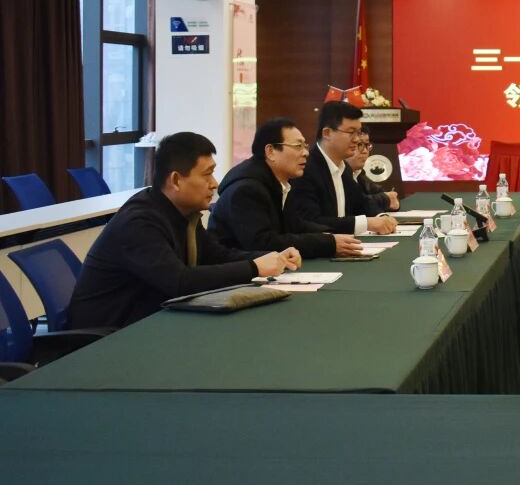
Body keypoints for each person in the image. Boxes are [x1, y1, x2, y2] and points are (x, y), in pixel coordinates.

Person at [67, 132, 299, 330]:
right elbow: (180, 282)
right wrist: (254, 267)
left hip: (149, 323)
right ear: (176, 180)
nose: (214, 183)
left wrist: (271, 258)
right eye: (207, 174)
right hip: (108, 337)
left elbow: (217, 255)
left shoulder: (183, 213)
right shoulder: (139, 223)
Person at [209, 118, 365, 259]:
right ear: (270, 151)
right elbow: (263, 243)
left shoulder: (279, 182)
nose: (305, 153)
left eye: (305, 146)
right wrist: (327, 243)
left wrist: (330, 234)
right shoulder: (246, 190)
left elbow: (295, 225)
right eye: (298, 146)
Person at [287, 101, 398, 235]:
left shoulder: (343, 167)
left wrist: (381, 217)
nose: (356, 139)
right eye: (351, 132)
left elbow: (361, 203)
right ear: (327, 133)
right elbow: (311, 222)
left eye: (358, 133)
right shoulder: (305, 169)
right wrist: (367, 223)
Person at [347, 131, 399, 214]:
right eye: (359, 144)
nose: (365, 151)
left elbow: (384, 195)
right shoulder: (338, 174)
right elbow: (353, 206)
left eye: (367, 145)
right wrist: (384, 199)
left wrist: (390, 198)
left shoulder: (359, 174)